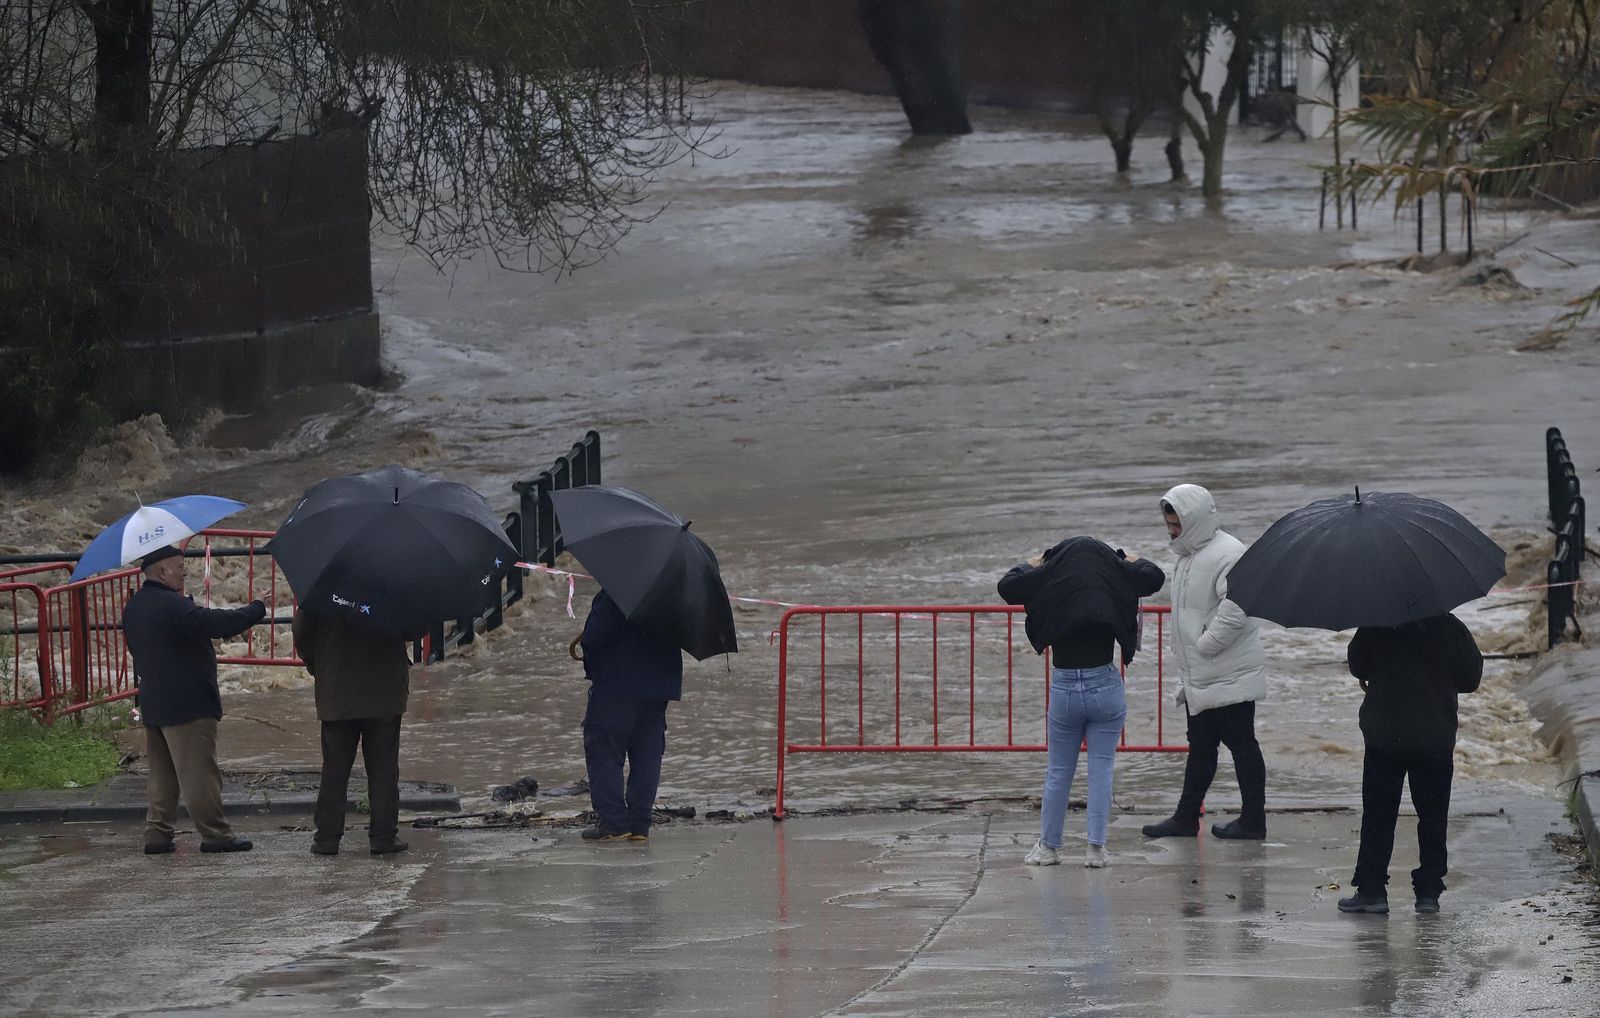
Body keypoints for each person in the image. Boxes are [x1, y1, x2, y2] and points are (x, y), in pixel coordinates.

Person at [999, 537, 1165, 868]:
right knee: (1101, 769)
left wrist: (1035, 562)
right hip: (1105, 685)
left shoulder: (1052, 577)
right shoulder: (1112, 576)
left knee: (1059, 771)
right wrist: (1129, 559)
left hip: (1064, 687)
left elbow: (1007, 586)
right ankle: (1096, 850)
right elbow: (1154, 577)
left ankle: (1048, 848)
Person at [1142, 484, 1269, 841]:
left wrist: (1205, 646)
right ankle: (1185, 818)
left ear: (1194, 520)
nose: (1171, 531)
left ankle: (1253, 821)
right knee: (1201, 746)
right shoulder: (1188, 554)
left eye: (1176, 525)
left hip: (1227, 670)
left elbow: (1238, 609)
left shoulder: (1229, 552)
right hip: (1202, 673)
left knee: (1241, 744)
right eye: (1169, 524)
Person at [121, 543, 265, 855]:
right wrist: (257, 608)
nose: (184, 573)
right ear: (162, 571)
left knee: (162, 775)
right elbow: (216, 623)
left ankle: (157, 834)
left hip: (155, 701)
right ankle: (216, 835)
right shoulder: (172, 606)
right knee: (199, 773)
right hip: (188, 703)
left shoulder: (135, 607)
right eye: (180, 568)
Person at [1338, 614, 1482, 915]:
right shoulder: (1450, 627)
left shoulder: (1377, 621)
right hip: (1434, 736)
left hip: (1385, 735)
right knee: (1433, 816)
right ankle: (1429, 892)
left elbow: (1358, 665)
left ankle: (1372, 890)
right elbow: (1471, 678)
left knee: (1378, 815)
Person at [292, 605, 411, 856]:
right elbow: (414, 627)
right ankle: (384, 837)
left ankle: (326, 839)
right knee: (384, 769)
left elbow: (301, 632)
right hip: (384, 692)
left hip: (337, 693)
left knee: (334, 770)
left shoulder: (323, 589)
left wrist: (319, 665)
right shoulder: (393, 588)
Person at [575, 588, 682, 843]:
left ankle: (613, 822)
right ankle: (639, 825)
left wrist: (587, 645)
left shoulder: (617, 591)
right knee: (647, 752)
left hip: (616, 684)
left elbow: (594, 638)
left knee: (604, 749)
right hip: (658, 685)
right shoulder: (672, 593)